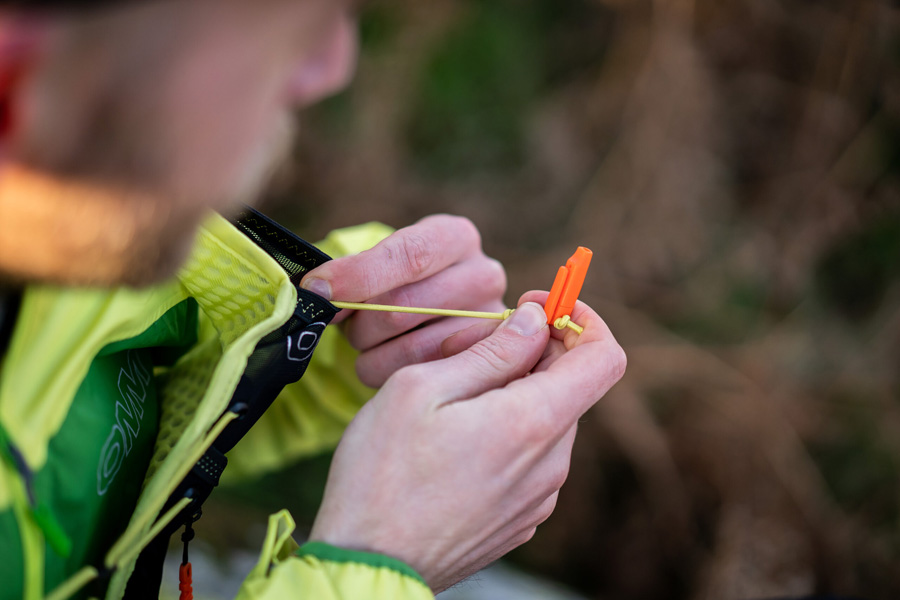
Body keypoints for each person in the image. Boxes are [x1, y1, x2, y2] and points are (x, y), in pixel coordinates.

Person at [0, 1, 626, 599]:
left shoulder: (71, 222)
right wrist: (374, 564)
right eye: (286, 20)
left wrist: (317, 351)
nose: (333, 66)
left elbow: (106, 423)